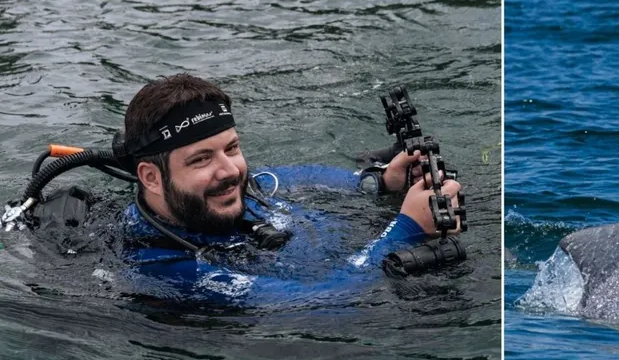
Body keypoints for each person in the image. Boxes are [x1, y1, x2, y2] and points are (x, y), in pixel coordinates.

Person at [118, 74, 463, 306]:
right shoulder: (166, 269)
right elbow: (319, 303)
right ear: (150, 178)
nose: (229, 171)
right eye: (201, 159)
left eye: (232, 148)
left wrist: (378, 182)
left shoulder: (243, 188)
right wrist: (406, 230)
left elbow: (296, 176)